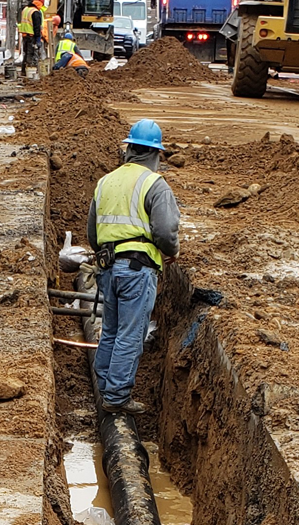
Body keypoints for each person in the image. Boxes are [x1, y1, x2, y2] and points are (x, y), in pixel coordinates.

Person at [86, 119, 180, 414]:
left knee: (111, 330)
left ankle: (104, 388)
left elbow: (92, 234)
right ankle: (116, 397)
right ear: (155, 154)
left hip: (107, 267)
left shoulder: (105, 182)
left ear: (129, 150)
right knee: (131, 334)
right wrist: (171, 252)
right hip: (137, 271)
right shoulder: (155, 184)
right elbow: (166, 231)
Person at [18, 0, 46, 66]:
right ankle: (29, 71)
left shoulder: (25, 9)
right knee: (31, 54)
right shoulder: (35, 12)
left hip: (24, 36)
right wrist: (38, 39)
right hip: (31, 36)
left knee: (25, 53)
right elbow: (37, 27)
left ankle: (24, 70)